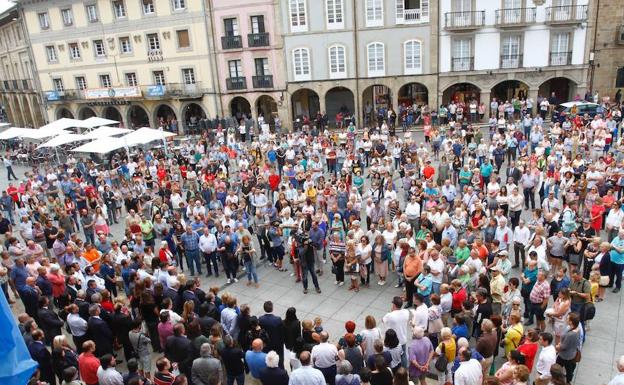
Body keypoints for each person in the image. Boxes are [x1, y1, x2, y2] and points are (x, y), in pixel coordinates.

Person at [556, 313, 581, 385]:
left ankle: (561, 380)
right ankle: (568, 381)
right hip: (572, 354)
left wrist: (558, 347)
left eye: (567, 318)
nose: (566, 319)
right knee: (569, 369)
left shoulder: (571, 334)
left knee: (558, 368)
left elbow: (564, 347)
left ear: (571, 322)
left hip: (565, 356)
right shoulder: (577, 329)